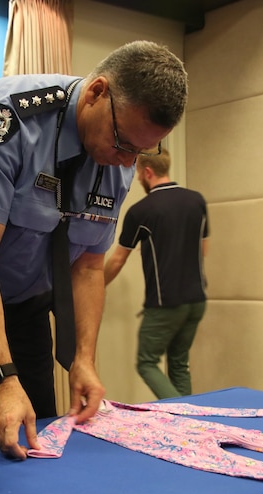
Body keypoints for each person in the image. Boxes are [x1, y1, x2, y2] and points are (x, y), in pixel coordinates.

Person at [0, 40, 188, 459]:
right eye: (122, 143)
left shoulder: (118, 160)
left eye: (140, 151)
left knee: (34, 429)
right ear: (97, 92)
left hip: (23, 291)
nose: (125, 163)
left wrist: (84, 359)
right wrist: (3, 379)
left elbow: (88, 267)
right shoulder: (6, 119)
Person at [103, 147, 209, 399]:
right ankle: (190, 424)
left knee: (147, 363)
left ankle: (182, 418)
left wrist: (95, 287)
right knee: (179, 363)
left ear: (147, 171)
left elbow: (117, 261)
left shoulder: (142, 211)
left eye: (138, 172)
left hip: (165, 304)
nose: (138, 178)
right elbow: (203, 249)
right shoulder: (197, 200)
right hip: (197, 300)